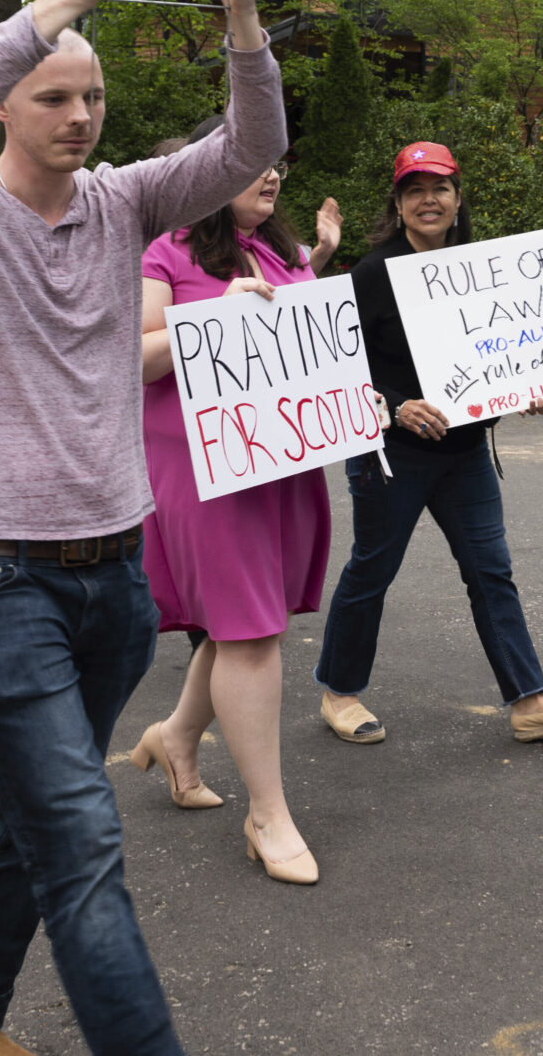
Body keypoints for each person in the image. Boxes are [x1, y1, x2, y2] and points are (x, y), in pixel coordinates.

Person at [0, 0, 284, 1056]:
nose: (76, 113)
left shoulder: (124, 202)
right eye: (52, 93)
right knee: (83, 841)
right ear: (4, 99)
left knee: (37, 819)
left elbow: (249, 149)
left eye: (91, 95)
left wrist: (242, 14)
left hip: (114, 575)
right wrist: (56, 5)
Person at [309, 141, 543, 747]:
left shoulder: (480, 269)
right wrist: (393, 407)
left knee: (491, 572)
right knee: (373, 570)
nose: (428, 200)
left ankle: (530, 702)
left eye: (439, 188)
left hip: (464, 453)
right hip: (391, 457)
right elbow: (337, 366)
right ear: (398, 202)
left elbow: (499, 354)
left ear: (457, 197)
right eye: (414, 190)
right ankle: (339, 692)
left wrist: (526, 382)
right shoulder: (372, 273)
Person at [122, 122, 343, 887]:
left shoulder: (285, 254)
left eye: (279, 163)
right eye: (255, 165)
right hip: (202, 470)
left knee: (247, 619)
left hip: (278, 462)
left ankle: (178, 737)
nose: (273, 175)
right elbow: (132, 355)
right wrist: (211, 318)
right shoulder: (165, 251)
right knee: (250, 631)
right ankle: (268, 813)